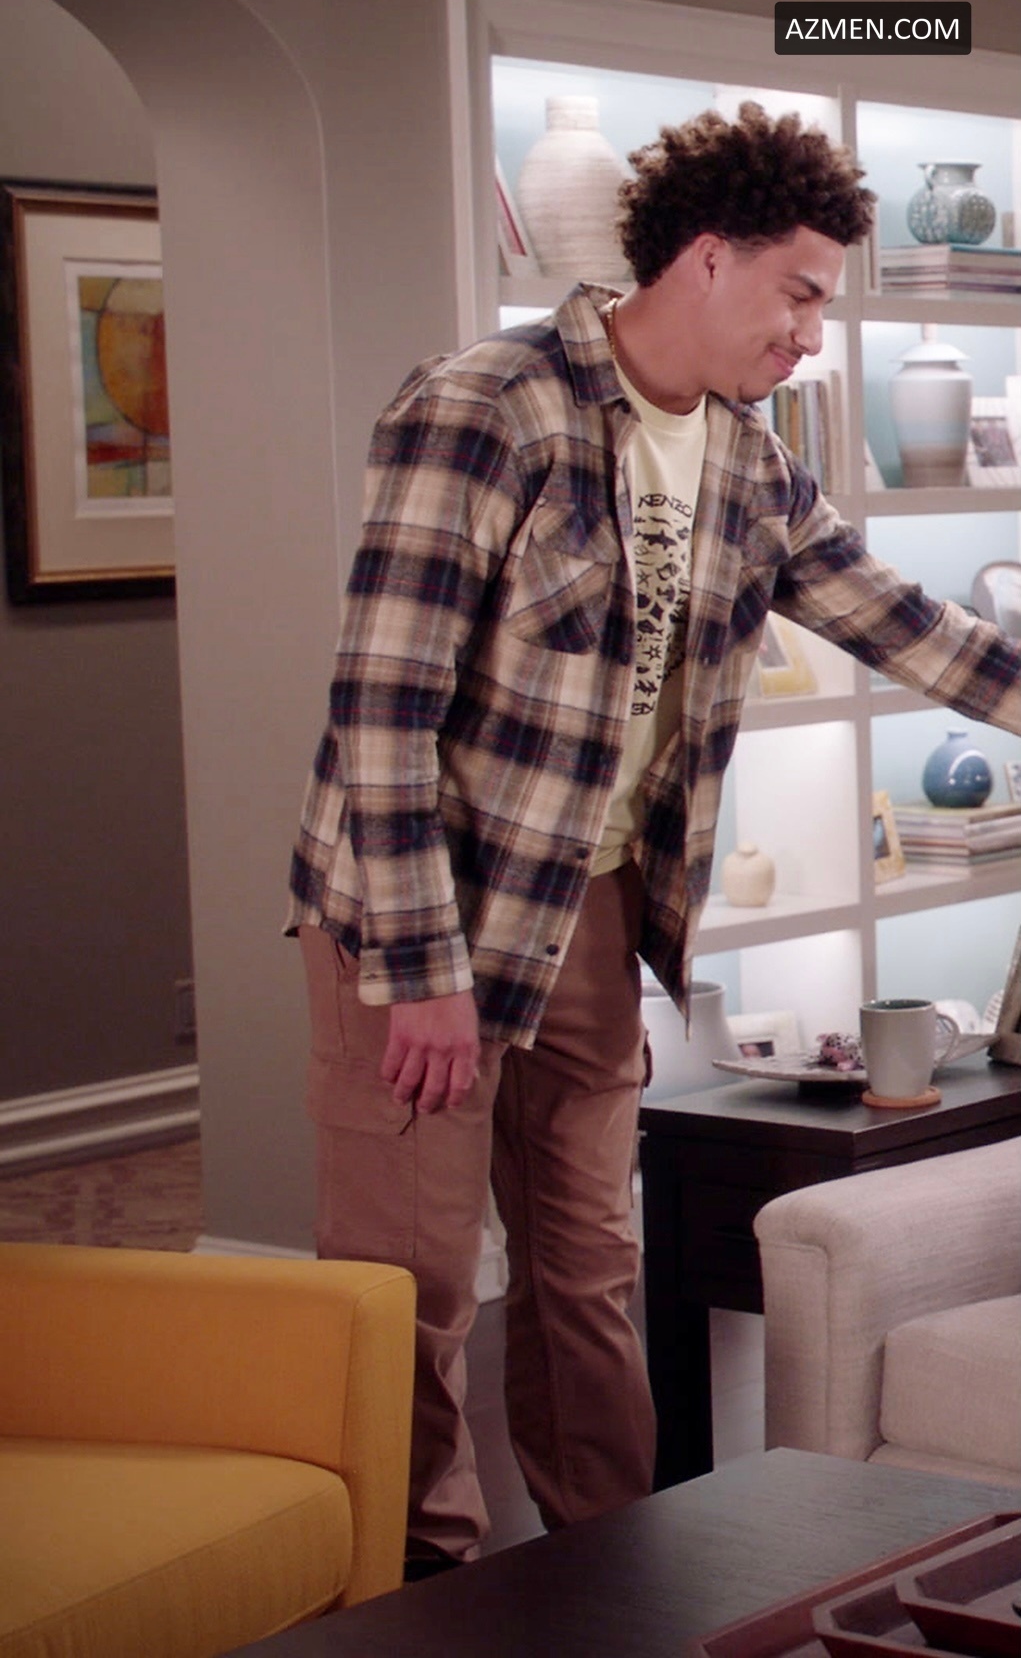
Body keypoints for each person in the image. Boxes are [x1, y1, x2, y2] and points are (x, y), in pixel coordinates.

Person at [286, 101, 1021, 1574]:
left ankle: (606, 1578)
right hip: (424, 914)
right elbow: (382, 708)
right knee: (412, 1287)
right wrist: (418, 974)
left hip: (595, 909)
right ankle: (415, 1589)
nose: (811, 336)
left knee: (588, 1271)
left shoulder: (748, 461)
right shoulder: (486, 408)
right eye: (799, 294)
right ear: (705, 257)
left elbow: (913, 628)